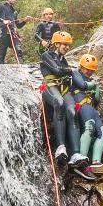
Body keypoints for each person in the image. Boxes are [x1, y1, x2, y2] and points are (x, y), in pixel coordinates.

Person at [40, 31, 90, 176]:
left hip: (63, 88)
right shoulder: (47, 55)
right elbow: (57, 70)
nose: (67, 47)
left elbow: (66, 74)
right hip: (49, 87)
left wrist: (67, 71)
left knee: (73, 111)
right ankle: (60, 147)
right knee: (59, 102)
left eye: (68, 45)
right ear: (56, 44)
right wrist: (67, 71)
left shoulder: (64, 59)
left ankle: (75, 154)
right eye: (64, 44)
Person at [72, 53, 103, 179]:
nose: (89, 72)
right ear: (82, 66)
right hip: (81, 106)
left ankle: (96, 163)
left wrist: (96, 89)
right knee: (89, 127)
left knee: (102, 131)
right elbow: (82, 85)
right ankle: (82, 163)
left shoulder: (91, 80)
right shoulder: (76, 74)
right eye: (87, 69)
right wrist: (93, 85)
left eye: (92, 70)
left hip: (91, 108)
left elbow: (97, 100)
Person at [0, 0, 33, 64]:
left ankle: (21, 67)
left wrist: (25, 20)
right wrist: (3, 21)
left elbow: (18, 25)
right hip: (3, 32)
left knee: (18, 49)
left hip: (13, 33)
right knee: (3, 52)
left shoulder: (14, 12)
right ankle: (0, 66)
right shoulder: (1, 6)